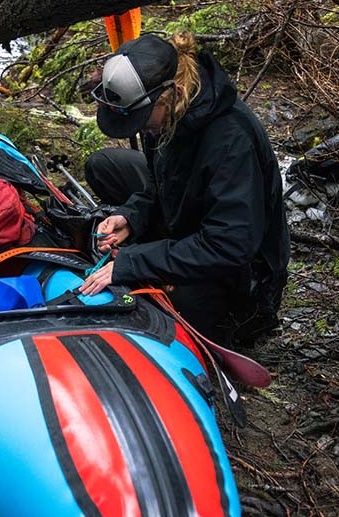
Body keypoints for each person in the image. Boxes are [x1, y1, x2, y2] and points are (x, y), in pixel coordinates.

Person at [77, 31, 289, 346]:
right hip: (193, 219)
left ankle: (218, 310)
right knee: (104, 165)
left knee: (167, 311)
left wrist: (136, 262)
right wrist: (132, 217)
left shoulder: (231, 140)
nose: (141, 129)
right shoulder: (168, 114)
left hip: (242, 273)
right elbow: (160, 182)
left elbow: (229, 245)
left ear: (173, 93)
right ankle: (165, 252)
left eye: (143, 120)